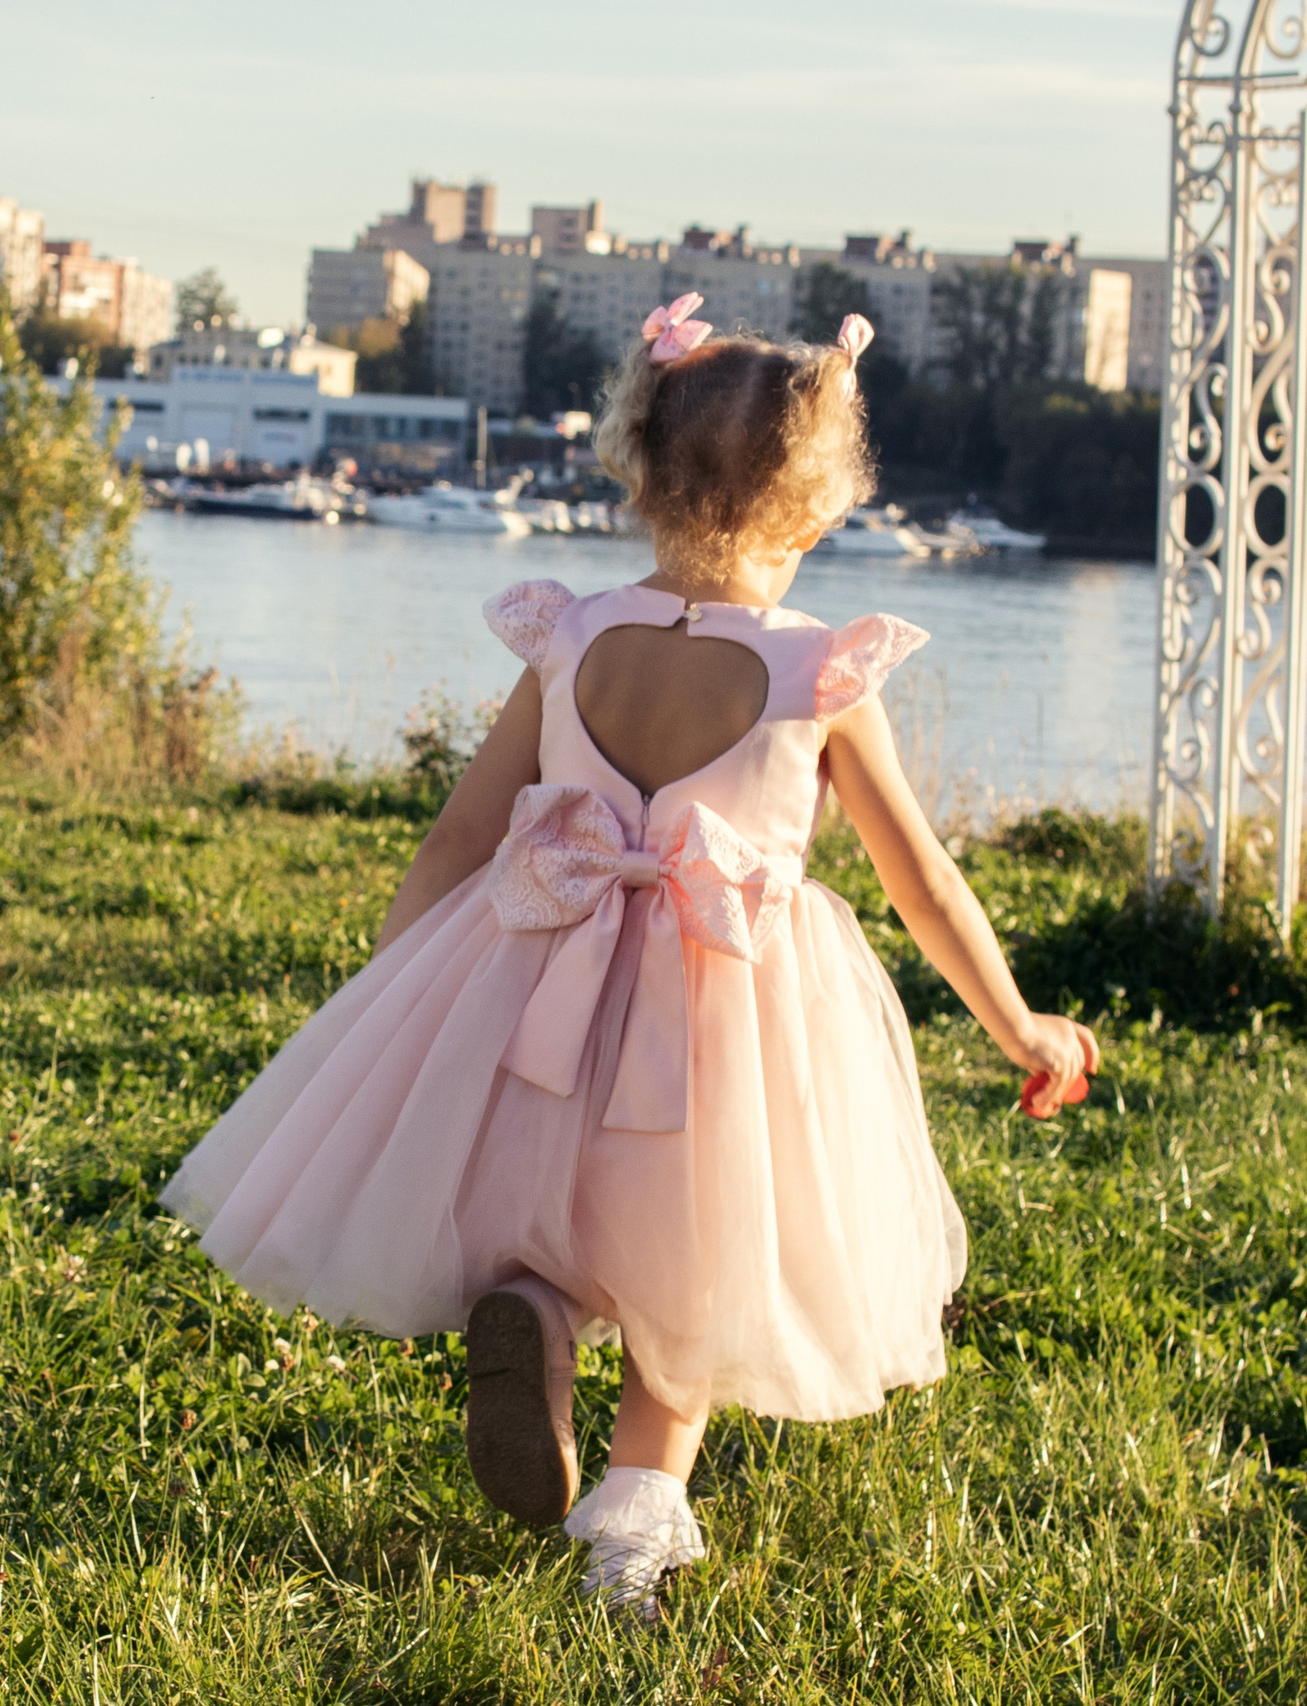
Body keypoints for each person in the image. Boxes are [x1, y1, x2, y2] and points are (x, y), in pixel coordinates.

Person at [160, 296, 1098, 1617]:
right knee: (700, 1247)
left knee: (562, 1202)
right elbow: (923, 884)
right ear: (822, 507)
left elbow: (459, 839)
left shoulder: (573, 634)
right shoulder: (819, 671)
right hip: (725, 1014)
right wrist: (1022, 1027)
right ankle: (633, 1529)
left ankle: (536, 1315)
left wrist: (398, 991)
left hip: (541, 981)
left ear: (640, 469)